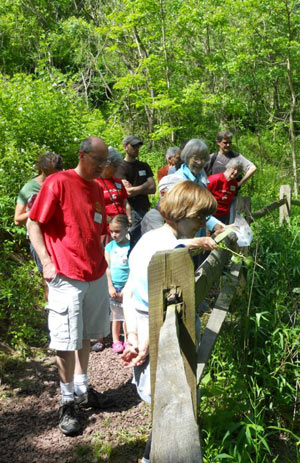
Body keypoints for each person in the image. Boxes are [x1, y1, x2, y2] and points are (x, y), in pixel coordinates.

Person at [121, 181, 218, 463]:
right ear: (181, 212)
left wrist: (132, 337)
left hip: (144, 328)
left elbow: (129, 292)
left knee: (166, 398)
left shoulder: (148, 240)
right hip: (155, 330)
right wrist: (142, 342)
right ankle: (159, 455)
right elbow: (159, 305)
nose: (202, 224)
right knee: (171, 398)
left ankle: (152, 455)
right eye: (199, 217)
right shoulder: (165, 249)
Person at [27, 137, 112, 436]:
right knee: (65, 340)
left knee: (86, 335)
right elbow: (33, 223)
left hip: (95, 274)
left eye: (105, 162)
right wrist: (46, 262)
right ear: (82, 155)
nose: (102, 167)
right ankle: (67, 402)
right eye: (98, 161)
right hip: (65, 273)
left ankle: (83, 389)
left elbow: (99, 228)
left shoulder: (97, 187)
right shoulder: (58, 182)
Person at [14, 152, 63, 273]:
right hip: (40, 239)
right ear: (42, 169)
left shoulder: (62, 183)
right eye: (50, 172)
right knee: (48, 278)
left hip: (60, 238)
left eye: (56, 171)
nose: (54, 175)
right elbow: (17, 219)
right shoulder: (29, 188)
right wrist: (38, 210)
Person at [166, 139, 223, 237]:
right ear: (187, 157)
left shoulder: (201, 180)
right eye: (196, 158)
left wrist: (218, 226)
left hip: (198, 235)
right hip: (182, 237)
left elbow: (203, 211)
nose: (200, 162)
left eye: (204, 159)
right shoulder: (178, 180)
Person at [105, 214, 130, 354]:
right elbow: (106, 268)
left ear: (126, 230)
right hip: (114, 285)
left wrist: (128, 287)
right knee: (115, 316)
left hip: (127, 286)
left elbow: (133, 268)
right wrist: (110, 286)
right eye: (112, 231)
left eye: (117, 231)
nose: (114, 234)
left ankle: (127, 339)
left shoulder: (131, 247)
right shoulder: (109, 247)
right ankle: (116, 341)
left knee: (127, 315)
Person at [118, 135, 156, 227]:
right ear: (125, 147)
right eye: (133, 146)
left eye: (138, 146)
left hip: (145, 209)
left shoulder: (144, 166)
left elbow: (153, 188)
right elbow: (127, 192)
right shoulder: (120, 167)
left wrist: (135, 189)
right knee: (135, 238)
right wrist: (145, 185)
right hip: (131, 211)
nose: (137, 149)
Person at [207, 159, 243, 224]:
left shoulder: (234, 184)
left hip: (225, 216)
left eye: (239, 171)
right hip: (211, 215)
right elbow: (203, 196)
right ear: (228, 167)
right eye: (234, 169)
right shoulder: (214, 179)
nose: (236, 172)